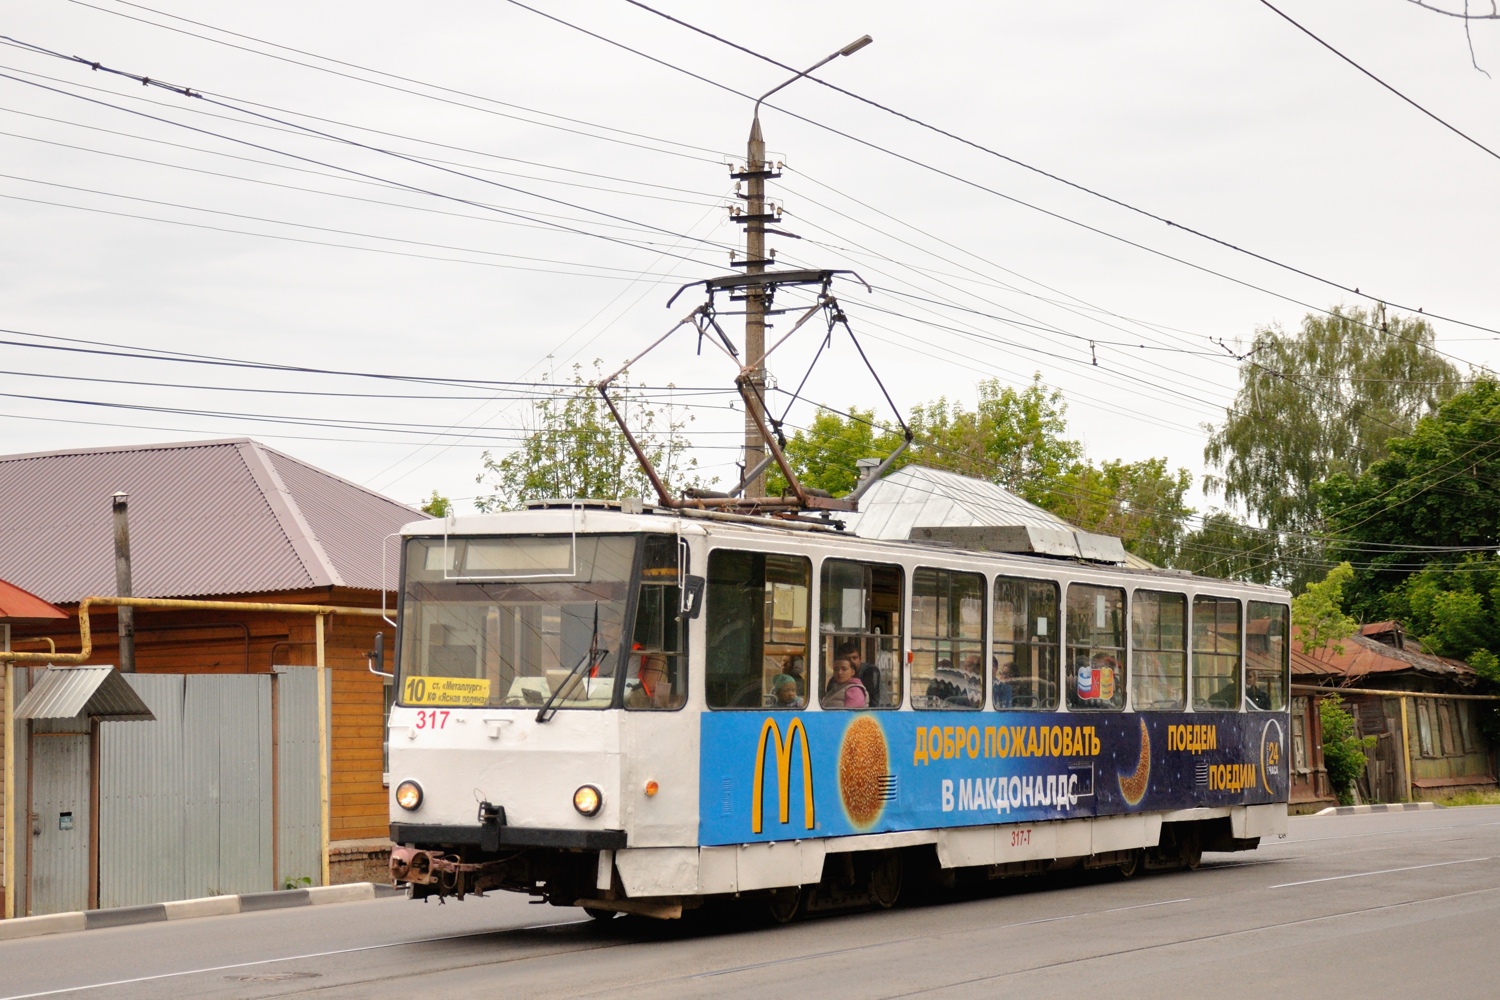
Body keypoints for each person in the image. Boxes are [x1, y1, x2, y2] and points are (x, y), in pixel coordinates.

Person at [838, 640, 881, 707]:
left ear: (860, 659)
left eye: (854, 658)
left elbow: (873, 705)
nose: (852, 662)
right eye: (847, 659)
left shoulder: (869, 672)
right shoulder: (835, 678)